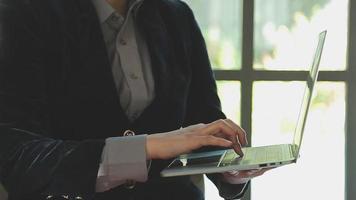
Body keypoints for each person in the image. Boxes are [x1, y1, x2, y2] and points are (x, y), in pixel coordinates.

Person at [0, 0, 271, 199]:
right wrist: (146, 146)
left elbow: (205, 125)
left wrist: (229, 170)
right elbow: (16, 156)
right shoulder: (24, 14)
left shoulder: (177, 16)